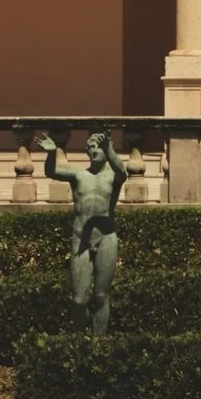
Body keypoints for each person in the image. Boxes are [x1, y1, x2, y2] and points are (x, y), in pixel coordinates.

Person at [38, 130, 127, 336]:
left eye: (99, 147)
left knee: (101, 295)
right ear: (87, 151)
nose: (95, 151)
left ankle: (98, 345)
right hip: (81, 240)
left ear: (106, 151)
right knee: (79, 300)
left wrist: (110, 148)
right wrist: (51, 153)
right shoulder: (79, 175)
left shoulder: (113, 177)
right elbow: (51, 172)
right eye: (92, 147)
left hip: (106, 237)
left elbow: (122, 171)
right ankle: (81, 340)